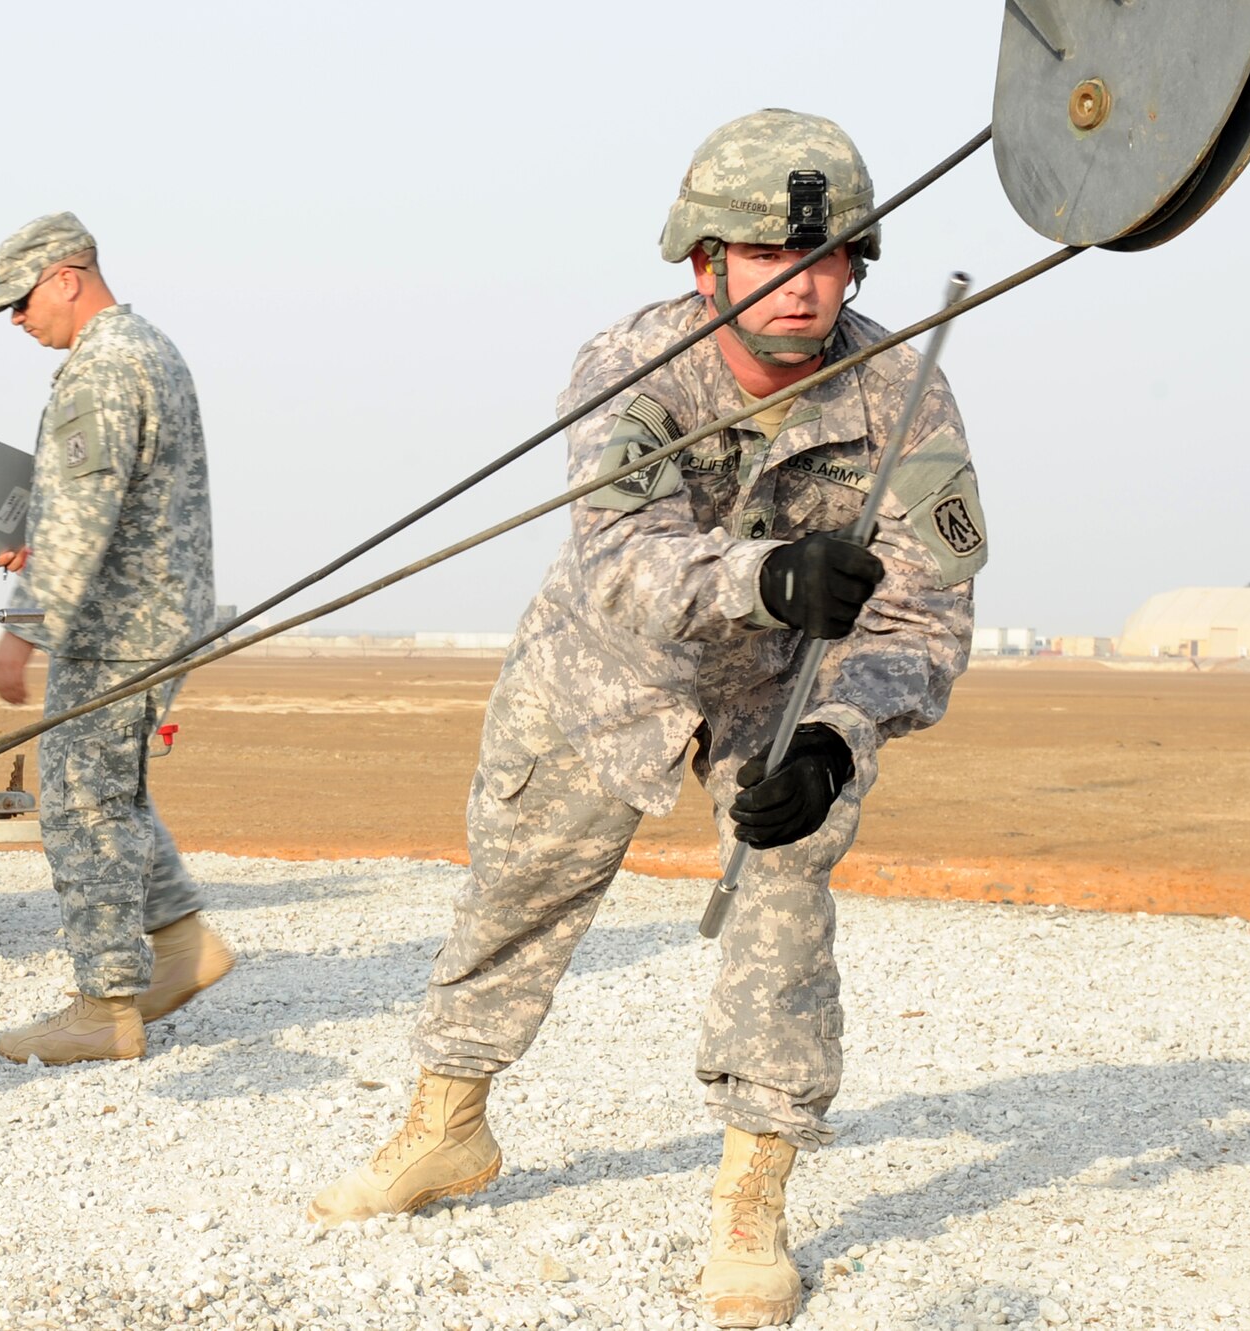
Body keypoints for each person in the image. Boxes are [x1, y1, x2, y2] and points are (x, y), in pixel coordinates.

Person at [305, 109, 990, 1329]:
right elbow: (621, 554)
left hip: (784, 697)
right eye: (771, 258)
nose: (803, 285)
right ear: (704, 264)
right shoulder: (627, 365)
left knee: (784, 897)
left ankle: (751, 1193)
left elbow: (922, 623)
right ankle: (445, 1123)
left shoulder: (906, 395)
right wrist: (767, 574)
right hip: (604, 668)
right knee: (513, 890)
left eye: (829, 258)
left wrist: (838, 742)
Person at [0, 211, 229, 1065]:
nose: (16, 319)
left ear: (67, 277)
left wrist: (20, 629)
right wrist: (32, 529)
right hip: (154, 613)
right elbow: (99, 501)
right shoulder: (148, 348)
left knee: (81, 804)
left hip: (118, 628)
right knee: (112, 789)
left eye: (20, 300)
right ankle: (183, 944)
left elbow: (85, 519)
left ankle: (106, 1004)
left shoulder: (102, 368)